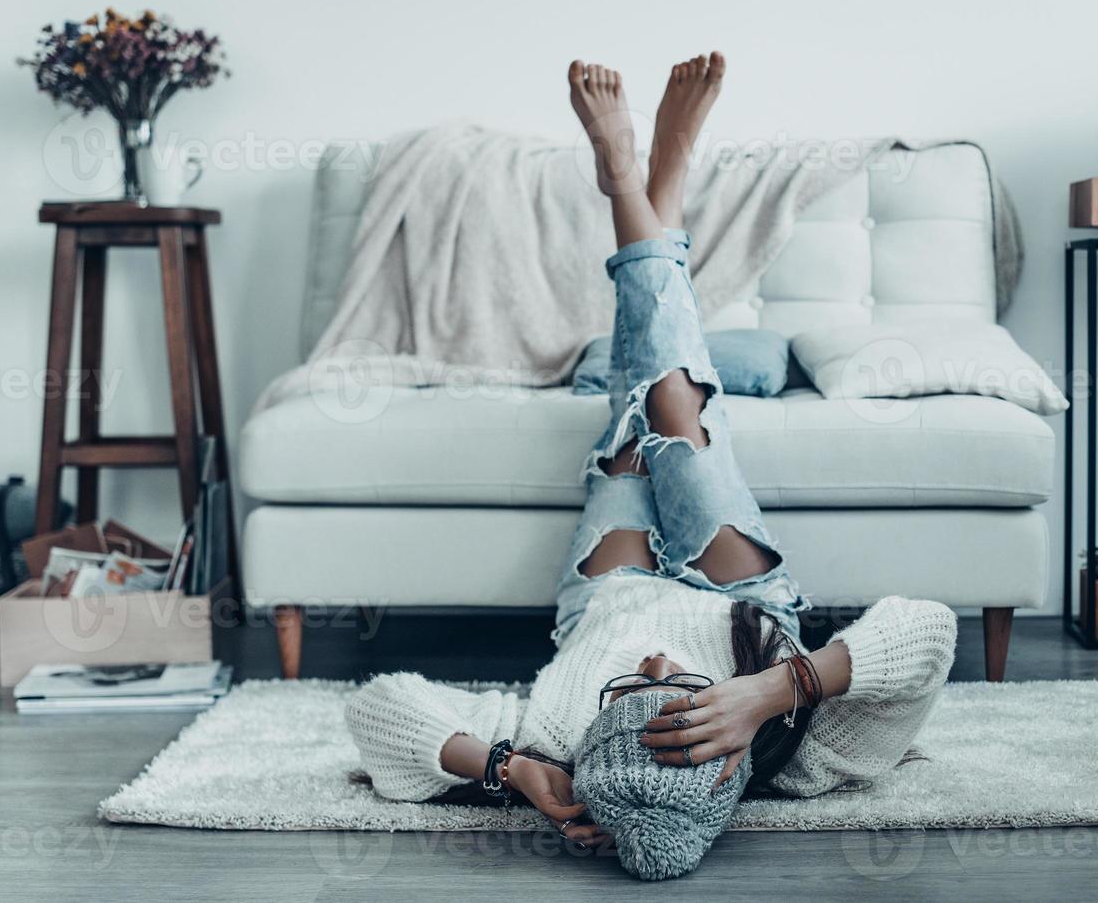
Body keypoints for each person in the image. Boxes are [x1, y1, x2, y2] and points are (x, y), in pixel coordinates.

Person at [345, 54, 958, 881]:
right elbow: (926, 630)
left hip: (612, 587)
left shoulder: (554, 743)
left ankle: (644, 187)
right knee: (673, 401)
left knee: (634, 410)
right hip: (738, 592)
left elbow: (375, 707)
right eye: (689, 696)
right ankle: (640, 186)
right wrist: (771, 691)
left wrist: (513, 770)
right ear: (730, 756)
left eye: (627, 694)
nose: (657, 665)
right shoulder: (804, 759)